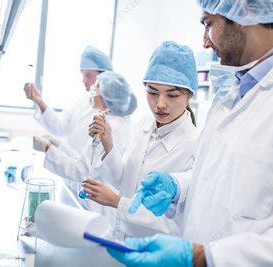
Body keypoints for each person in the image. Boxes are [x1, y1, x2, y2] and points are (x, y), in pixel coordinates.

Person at [107, 0, 273, 266]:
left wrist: (205, 257)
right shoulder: (231, 92)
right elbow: (219, 178)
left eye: (209, 24)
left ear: (245, 12)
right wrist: (178, 188)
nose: (205, 42)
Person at [81, 41, 198, 240]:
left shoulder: (194, 145)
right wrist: (108, 143)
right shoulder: (144, 125)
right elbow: (124, 178)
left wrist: (118, 202)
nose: (160, 104)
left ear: (189, 95)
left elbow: (176, 226)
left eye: (172, 95)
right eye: (152, 92)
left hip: (154, 252)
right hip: (121, 239)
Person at [33, 71, 137, 222]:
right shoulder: (109, 119)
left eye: (96, 88)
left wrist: (48, 149)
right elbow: (88, 160)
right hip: (90, 204)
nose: (92, 92)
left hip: (98, 209)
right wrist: (60, 145)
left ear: (107, 97)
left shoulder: (110, 127)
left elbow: (80, 170)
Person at [24, 46, 113, 153]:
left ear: (104, 77)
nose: (83, 80)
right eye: (83, 75)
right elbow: (59, 128)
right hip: (69, 163)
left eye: (88, 75)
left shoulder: (113, 112)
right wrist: (39, 101)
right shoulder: (82, 101)